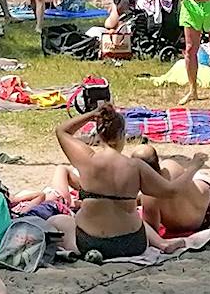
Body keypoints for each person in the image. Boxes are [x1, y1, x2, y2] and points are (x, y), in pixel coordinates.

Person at [55, 102, 188, 259]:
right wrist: (194, 167)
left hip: (90, 242)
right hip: (133, 244)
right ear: (122, 135)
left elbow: (62, 131)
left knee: (58, 220)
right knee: (135, 217)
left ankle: (78, 251)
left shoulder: (87, 160)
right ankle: (161, 243)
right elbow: (171, 191)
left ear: (99, 134)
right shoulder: (136, 166)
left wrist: (92, 114)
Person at [130, 143, 210, 241]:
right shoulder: (170, 164)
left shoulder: (149, 197)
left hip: (200, 225)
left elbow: (152, 231)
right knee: (195, 179)